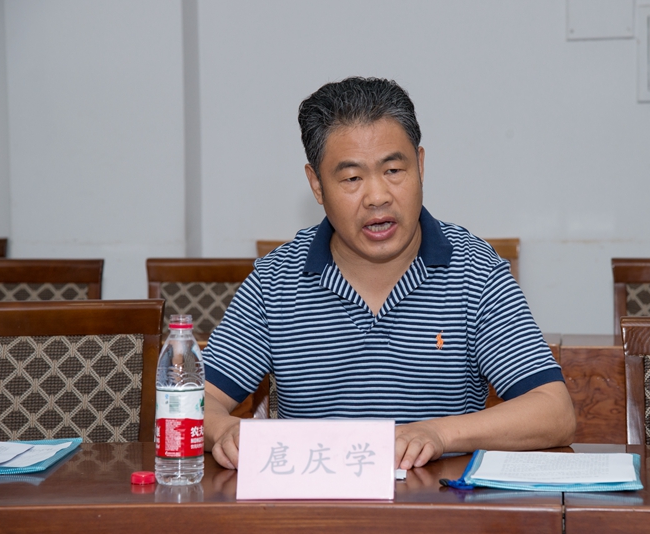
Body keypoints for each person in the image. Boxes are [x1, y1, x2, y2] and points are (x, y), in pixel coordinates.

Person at [203, 77, 576, 471]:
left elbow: (554, 411)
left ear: (420, 165)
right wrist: (224, 430)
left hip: (438, 501)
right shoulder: (277, 280)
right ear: (317, 185)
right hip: (317, 500)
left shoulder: (474, 270)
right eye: (352, 178)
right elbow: (193, 402)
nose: (378, 197)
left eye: (394, 170)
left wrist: (438, 434)